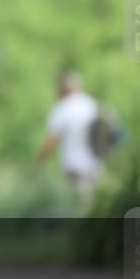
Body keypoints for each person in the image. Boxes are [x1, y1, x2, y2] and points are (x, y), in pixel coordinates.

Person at [35, 70, 102, 211]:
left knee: (76, 207)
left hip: (73, 166)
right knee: (91, 204)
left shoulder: (62, 109)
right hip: (94, 164)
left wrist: (39, 164)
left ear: (64, 89)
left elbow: (51, 141)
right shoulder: (90, 104)